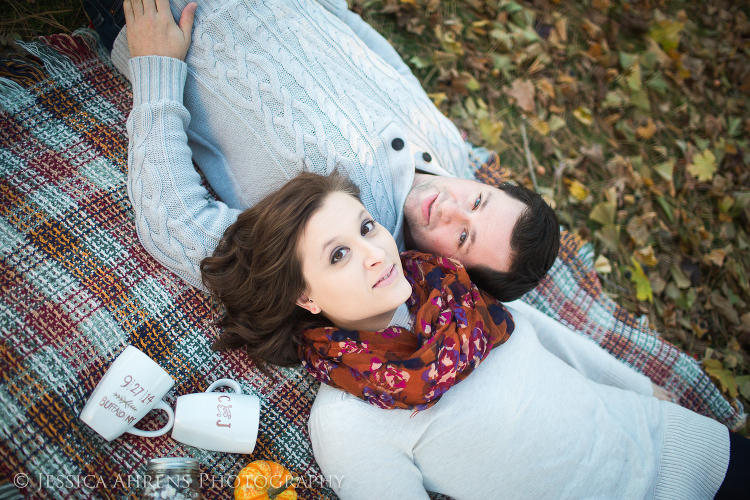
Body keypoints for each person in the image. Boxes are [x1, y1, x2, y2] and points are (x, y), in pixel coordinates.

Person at [200, 170, 743, 500]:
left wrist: (642, 389)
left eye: (366, 227)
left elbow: (556, 341)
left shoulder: (452, 283)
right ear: (306, 297)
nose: (373, 252)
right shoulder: (347, 420)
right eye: (338, 255)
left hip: (683, 444)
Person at [107, 0, 559, 302]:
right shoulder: (448, 147)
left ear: (448, 269)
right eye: (479, 201)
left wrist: (155, 67)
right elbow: (377, 55)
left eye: (463, 237)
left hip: (160, 15)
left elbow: (178, 228)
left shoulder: (350, 237)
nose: (452, 208)